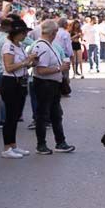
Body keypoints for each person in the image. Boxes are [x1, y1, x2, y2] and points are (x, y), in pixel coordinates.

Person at [30, 20, 75, 156]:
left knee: (55, 114)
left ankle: (60, 142)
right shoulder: (43, 47)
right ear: (53, 33)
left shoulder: (46, 45)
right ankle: (42, 144)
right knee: (44, 115)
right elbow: (41, 70)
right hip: (45, 84)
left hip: (51, 84)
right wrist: (59, 68)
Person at [0, 19, 35, 159]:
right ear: (16, 33)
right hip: (11, 82)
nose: (25, 35)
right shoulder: (8, 46)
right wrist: (26, 62)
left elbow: (22, 65)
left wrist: (31, 62)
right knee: (10, 116)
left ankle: (13, 145)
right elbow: (9, 67)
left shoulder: (19, 45)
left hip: (20, 81)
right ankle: (6, 147)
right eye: (23, 33)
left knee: (15, 115)